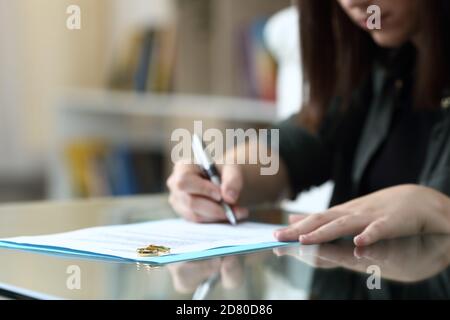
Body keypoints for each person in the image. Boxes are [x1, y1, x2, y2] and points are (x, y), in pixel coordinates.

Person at [167, 0, 450, 247]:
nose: (353, 2)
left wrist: (438, 210)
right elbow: (306, 139)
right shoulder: (382, 60)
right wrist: (225, 175)